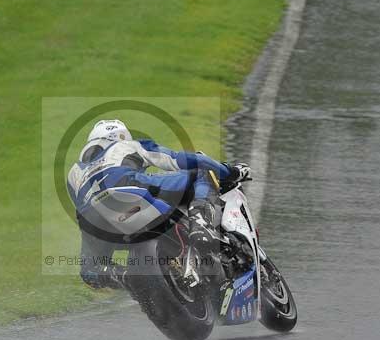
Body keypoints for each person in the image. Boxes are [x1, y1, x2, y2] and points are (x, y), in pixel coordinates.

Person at [66, 119, 250, 289]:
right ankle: (201, 225)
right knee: (201, 175)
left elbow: (80, 208)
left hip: (93, 217)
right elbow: (181, 160)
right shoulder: (129, 145)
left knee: (90, 271)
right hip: (129, 188)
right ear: (120, 136)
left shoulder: (73, 173)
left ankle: (130, 279)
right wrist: (231, 172)